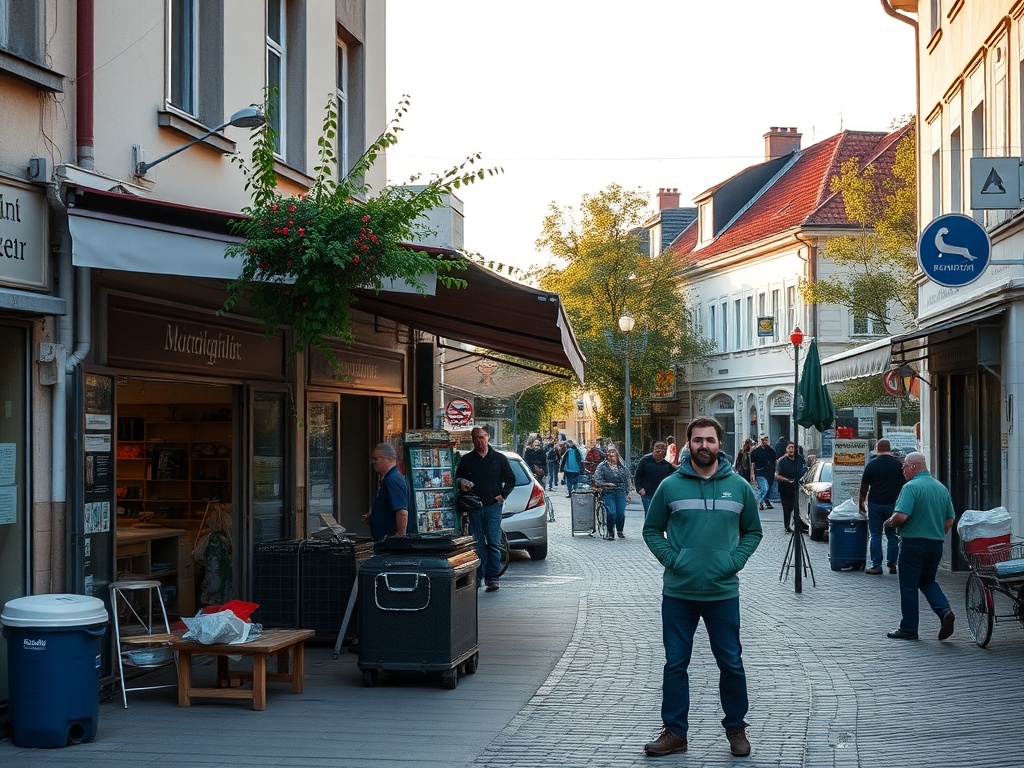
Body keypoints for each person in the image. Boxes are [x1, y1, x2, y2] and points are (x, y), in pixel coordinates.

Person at [642, 417, 763, 758]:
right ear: (688, 444)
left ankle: (736, 728)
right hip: (678, 593)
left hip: (722, 593)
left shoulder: (738, 486)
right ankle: (675, 733)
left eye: (710, 440)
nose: (704, 446)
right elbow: (651, 530)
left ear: (719, 444)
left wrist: (733, 561)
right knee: (675, 664)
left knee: (731, 663)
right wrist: (673, 560)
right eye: (698, 440)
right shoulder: (670, 486)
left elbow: (753, 531)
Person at [884, 452, 956, 641]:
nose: (903, 471)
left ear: (914, 467)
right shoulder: (940, 488)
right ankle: (944, 611)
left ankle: (909, 628)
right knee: (927, 581)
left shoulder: (911, 487)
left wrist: (889, 523)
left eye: (904, 467)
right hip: (935, 544)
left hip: (913, 544)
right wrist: (937, 534)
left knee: (908, 586)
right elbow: (949, 520)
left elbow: (901, 516)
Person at [455, 427, 515, 593]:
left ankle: (492, 578)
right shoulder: (467, 460)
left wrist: (503, 495)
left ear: (488, 437)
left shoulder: (499, 458)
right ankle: (478, 577)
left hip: (493, 506)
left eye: (482, 437)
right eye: (476, 438)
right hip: (474, 506)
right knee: (478, 543)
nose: (479, 441)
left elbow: (511, 479)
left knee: (493, 542)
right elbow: (457, 478)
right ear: (473, 440)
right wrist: (462, 483)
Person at [859, 439, 905, 575]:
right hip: (893, 504)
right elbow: (905, 485)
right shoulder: (898, 465)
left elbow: (864, 486)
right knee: (892, 534)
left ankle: (876, 565)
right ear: (889, 449)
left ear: (877, 448)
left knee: (875, 534)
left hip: (875, 503)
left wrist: (861, 502)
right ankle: (892, 563)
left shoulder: (872, 464)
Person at [363, 442, 412, 542]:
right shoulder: (390, 478)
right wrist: (374, 515)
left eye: (376, 459)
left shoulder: (392, 479)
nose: (374, 462)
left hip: (390, 541)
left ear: (388, 458)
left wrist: (401, 537)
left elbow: (402, 511)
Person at [593, 445, 632, 539]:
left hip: (620, 492)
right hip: (608, 492)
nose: (611, 454)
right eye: (609, 452)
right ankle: (610, 532)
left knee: (620, 513)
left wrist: (628, 492)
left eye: (613, 452)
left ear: (617, 454)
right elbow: (598, 479)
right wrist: (606, 484)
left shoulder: (622, 466)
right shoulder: (602, 466)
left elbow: (627, 479)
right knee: (611, 512)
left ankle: (620, 530)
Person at [634, 441, 675, 515]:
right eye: (658, 448)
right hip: (647, 493)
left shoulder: (667, 465)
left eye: (663, 449)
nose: (660, 450)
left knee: (660, 515)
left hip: (661, 494)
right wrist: (639, 489)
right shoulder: (645, 461)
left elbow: (674, 476)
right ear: (653, 449)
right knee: (649, 514)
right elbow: (637, 476)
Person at [774, 442, 807, 533]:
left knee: (798, 507)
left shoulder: (800, 459)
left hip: (798, 487)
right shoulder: (782, 461)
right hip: (785, 488)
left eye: (793, 447)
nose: (791, 449)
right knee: (787, 508)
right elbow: (776, 475)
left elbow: (805, 471)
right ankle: (787, 526)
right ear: (786, 449)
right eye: (789, 448)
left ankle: (799, 526)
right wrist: (787, 480)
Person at [750, 435, 777, 510]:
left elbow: (775, 462)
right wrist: (752, 474)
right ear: (759, 441)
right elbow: (752, 464)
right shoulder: (755, 452)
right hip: (760, 472)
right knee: (764, 488)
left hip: (770, 472)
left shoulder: (771, 451)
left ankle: (766, 500)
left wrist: (776, 472)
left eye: (765, 440)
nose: (764, 442)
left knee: (768, 487)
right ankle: (760, 502)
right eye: (762, 440)